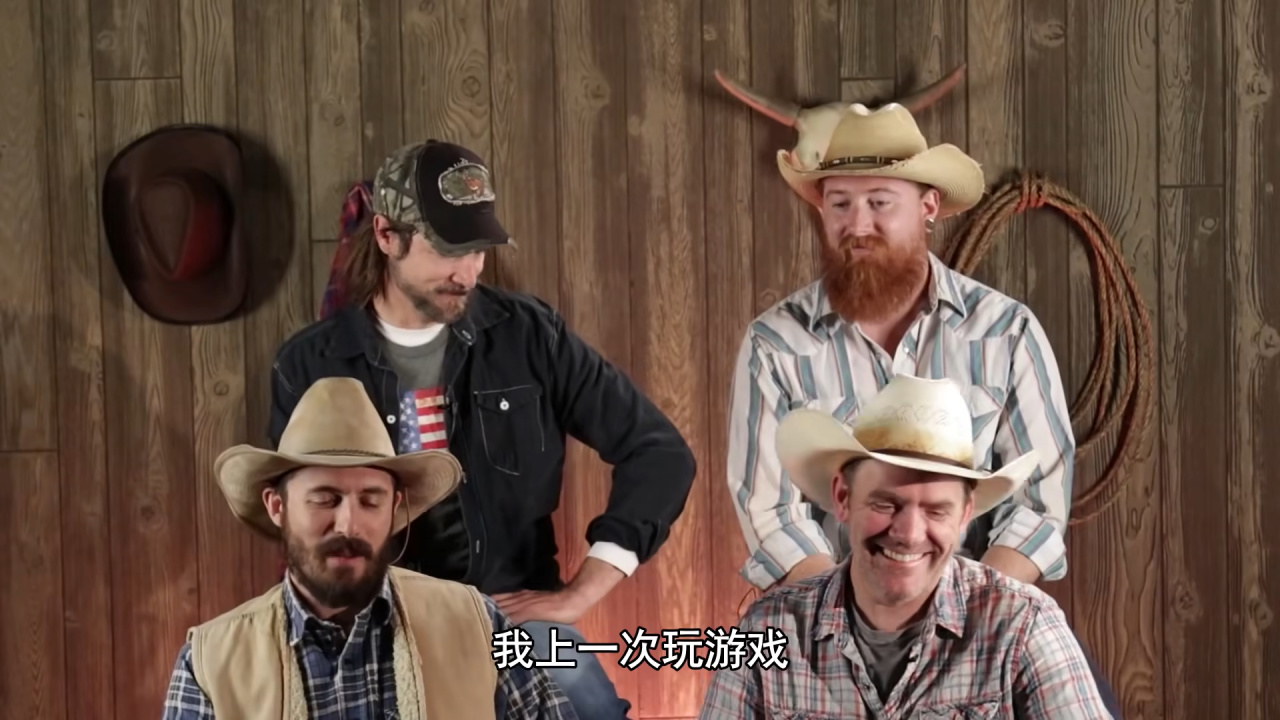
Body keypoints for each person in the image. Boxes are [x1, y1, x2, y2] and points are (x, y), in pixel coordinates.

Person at [266, 139, 696, 719]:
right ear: (387, 235)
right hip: (370, 625)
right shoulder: (309, 364)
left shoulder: (529, 335)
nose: (466, 272)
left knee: (586, 702)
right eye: (448, 249)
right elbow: (301, 524)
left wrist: (580, 593)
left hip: (512, 620)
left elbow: (660, 454)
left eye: (477, 250)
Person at [720, 95, 1122, 715]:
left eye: (880, 202)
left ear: (928, 206)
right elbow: (769, 510)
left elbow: (1040, 503)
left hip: (984, 616)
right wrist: (846, 629)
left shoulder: (1006, 332)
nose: (857, 224)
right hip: (820, 621)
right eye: (839, 203)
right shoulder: (775, 344)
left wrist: (971, 628)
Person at [161, 376, 578, 719]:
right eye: (325, 499)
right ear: (277, 507)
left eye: (370, 500)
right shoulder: (209, 663)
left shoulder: (477, 622)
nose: (349, 525)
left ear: (394, 506)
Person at [700, 374, 1114, 718]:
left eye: (936, 511)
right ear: (843, 497)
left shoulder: (1025, 625)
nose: (910, 533)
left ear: (965, 514)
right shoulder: (766, 628)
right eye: (886, 504)